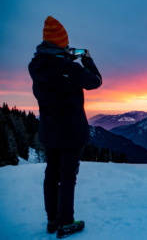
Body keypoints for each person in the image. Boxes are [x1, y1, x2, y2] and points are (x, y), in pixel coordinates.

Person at [28, 16, 102, 238]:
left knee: (52, 173)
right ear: (61, 44)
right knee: (68, 175)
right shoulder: (68, 67)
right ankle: (66, 222)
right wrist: (86, 60)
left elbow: (54, 71)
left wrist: (64, 56)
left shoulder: (37, 66)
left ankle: (52, 220)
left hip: (49, 130)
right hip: (70, 132)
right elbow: (95, 82)